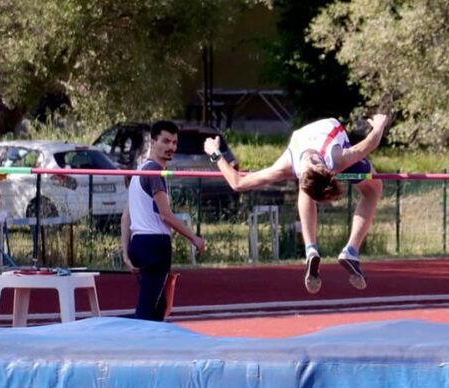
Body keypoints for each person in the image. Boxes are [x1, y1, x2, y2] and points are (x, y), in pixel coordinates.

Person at [205, 114, 389, 294]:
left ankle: (311, 250)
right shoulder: (337, 158)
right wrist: (380, 124)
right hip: (334, 143)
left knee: (308, 186)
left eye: (311, 165)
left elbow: (238, 183)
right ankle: (350, 251)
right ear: (327, 168)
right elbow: (372, 142)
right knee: (374, 189)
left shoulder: (288, 164)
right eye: (317, 164)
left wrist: (214, 152)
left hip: (311, 150)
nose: (312, 160)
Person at [121, 120, 206, 321]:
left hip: (138, 244)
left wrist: (126, 253)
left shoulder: (138, 171)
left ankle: (152, 348)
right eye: (166, 141)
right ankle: (120, 342)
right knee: (147, 311)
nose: (171, 147)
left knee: (158, 307)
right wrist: (194, 237)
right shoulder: (154, 173)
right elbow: (165, 215)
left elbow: (126, 217)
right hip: (154, 246)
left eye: (174, 143)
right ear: (152, 141)